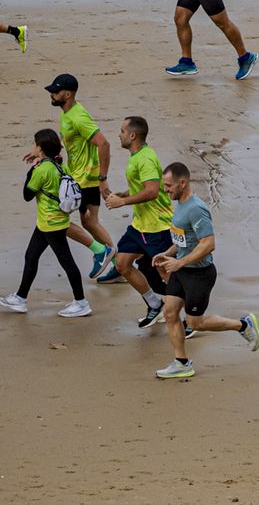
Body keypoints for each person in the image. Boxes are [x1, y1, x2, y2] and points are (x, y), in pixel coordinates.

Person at [149, 162, 259, 378]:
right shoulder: (180, 204)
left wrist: (179, 263)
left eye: (169, 185)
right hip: (182, 270)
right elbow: (185, 239)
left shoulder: (196, 208)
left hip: (199, 274)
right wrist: (168, 254)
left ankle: (243, 325)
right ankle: (182, 363)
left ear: (182, 183)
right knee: (170, 312)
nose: (166, 189)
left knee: (195, 323)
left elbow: (208, 244)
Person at [3, 129, 89, 317]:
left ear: (40, 148)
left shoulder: (42, 170)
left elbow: (27, 195)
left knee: (67, 263)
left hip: (51, 225)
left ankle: (81, 302)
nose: (33, 147)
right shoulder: (61, 166)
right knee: (31, 256)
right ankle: (20, 298)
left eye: (35, 144)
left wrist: (31, 170)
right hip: (50, 222)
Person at [101, 117, 174, 325]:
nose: (119, 134)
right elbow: (143, 188)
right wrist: (121, 194)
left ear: (132, 135)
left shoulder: (146, 159)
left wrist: (122, 202)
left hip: (158, 227)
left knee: (166, 274)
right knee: (122, 264)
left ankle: (187, 318)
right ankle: (154, 305)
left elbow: (151, 191)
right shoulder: (136, 156)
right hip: (140, 225)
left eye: (122, 131)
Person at [44, 74, 114, 277]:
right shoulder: (67, 113)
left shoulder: (78, 116)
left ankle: (101, 251)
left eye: (55, 92)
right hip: (80, 176)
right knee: (90, 222)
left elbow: (103, 143)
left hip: (85, 179)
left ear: (68, 94)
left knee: (56, 220)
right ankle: (118, 264)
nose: (52, 94)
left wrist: (102, 179)